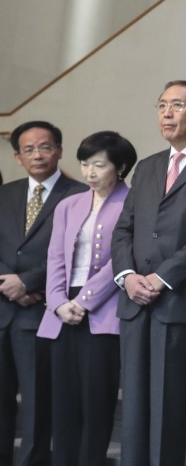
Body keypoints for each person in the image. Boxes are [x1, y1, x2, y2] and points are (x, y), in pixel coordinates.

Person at [111, 80, 186, 466]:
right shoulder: (150, 165)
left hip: (176, 300)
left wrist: (162, 276)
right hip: (135, 302)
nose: (166, 113)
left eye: (177, 106)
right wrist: (127, 276)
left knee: (168, 407)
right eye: (161, 106)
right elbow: (126, 228)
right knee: (135, 406)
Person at [37, 131, 137, 466]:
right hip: (61, 312)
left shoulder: (132, 202)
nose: (89, 172)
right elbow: (55, 259)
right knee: (63, 404)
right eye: (84, 164)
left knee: (96, 403)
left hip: (102, 312)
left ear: (119, 167)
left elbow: (122, 259)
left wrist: (85, 300)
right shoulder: (68, 204)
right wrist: (57, 302)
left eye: (99, 165)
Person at [0, 121, 87, 466]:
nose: (38, 155)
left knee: (37, 402)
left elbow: (77, 251)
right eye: (29, 149)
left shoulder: (80, 194)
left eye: (45, 147)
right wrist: (7, 282)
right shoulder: (5, 193)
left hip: (41, 313)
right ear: (18, 157)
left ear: (60, 151)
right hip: (2, 309)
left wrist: (30, 282)